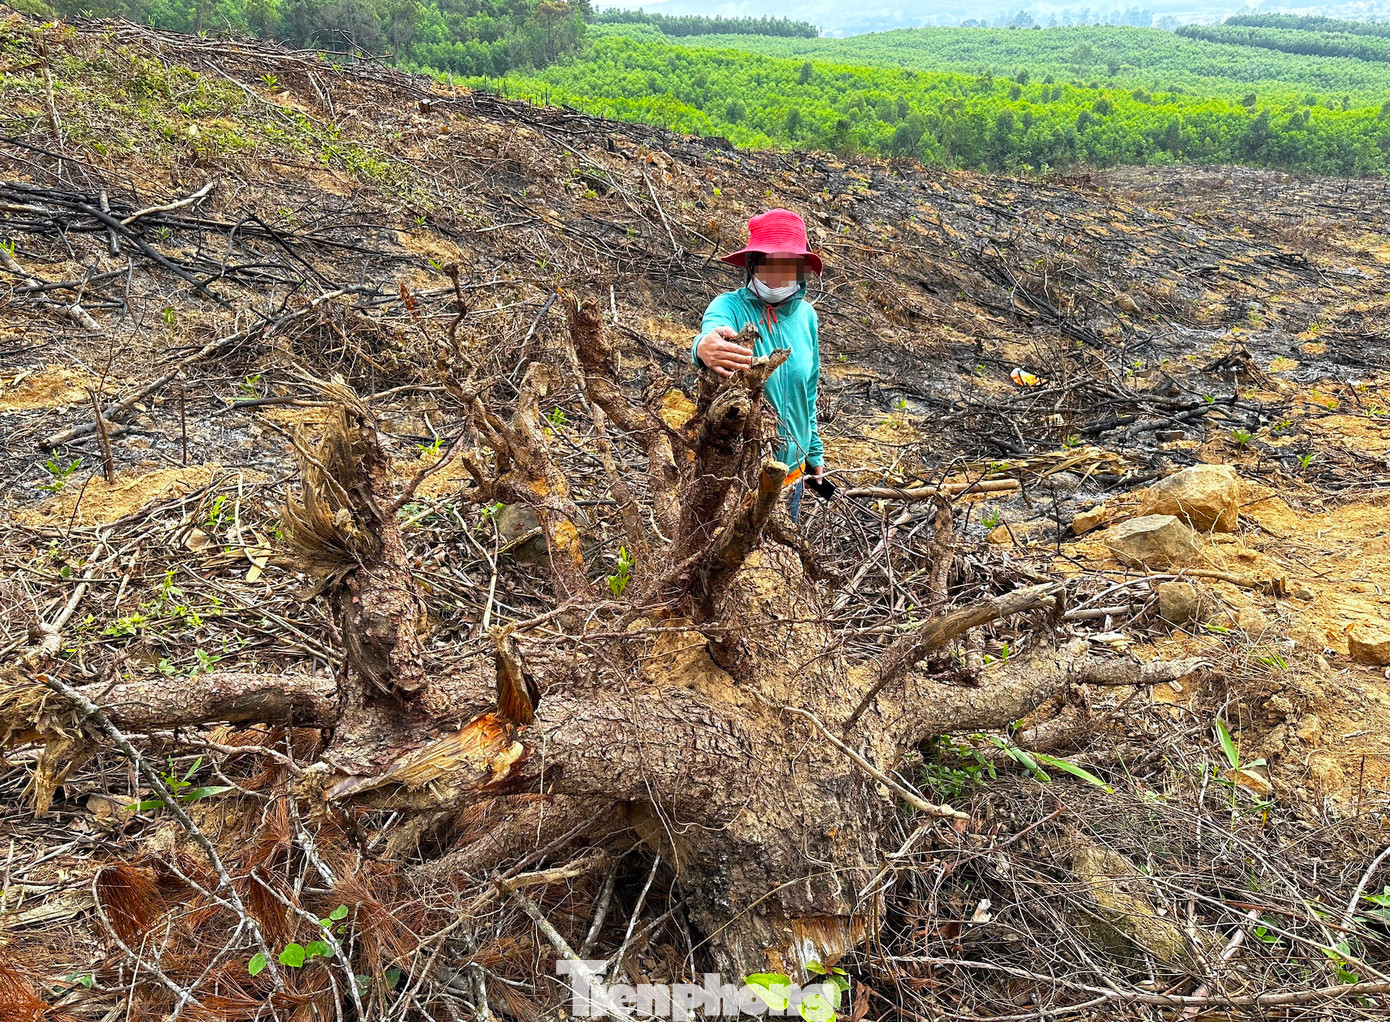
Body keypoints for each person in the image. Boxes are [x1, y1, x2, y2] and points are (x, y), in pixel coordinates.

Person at [690, 208, 825, 525]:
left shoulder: (807, 318)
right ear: (753, 264)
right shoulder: (729, 306)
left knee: (777, 560)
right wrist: (702, 347)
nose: (778, 276)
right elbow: (713, 334)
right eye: (769, 263)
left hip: (790, 475)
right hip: (740, 477)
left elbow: (808, 394)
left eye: (788, 265)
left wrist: (814, 459)